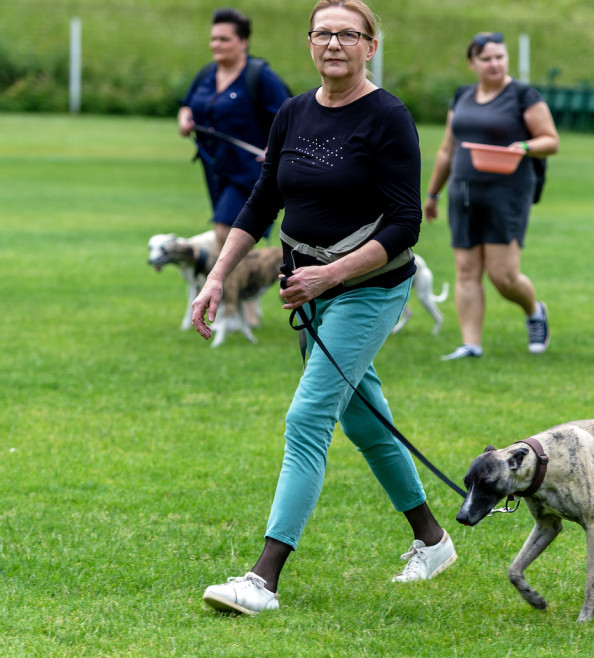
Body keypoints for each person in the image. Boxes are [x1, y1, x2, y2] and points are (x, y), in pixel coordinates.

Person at [191, 0, 456, 615]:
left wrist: (330, 274)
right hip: (309, 295)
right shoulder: (291, 113)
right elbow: (260, 204)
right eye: (323, 33)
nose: (334, 43)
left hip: (368, 289)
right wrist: (215, 278)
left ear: (370, 46)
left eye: (348, 34)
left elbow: (406, 224)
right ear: (309, 44)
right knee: (363, 417)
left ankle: (262, 579)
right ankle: (431, 539)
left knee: (308, 417)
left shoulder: (388, 117)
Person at [423, 32, 560, 360]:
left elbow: (550, 140)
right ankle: (472, 344)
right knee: (466, 269)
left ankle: (534, 310)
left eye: (500, 56)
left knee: (504, 276)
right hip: (464, 190)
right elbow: (447, 150)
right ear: (472, 63)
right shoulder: (463, 97)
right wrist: (432, 194)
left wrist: (524, 146)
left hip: (507, 192)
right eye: (486, 59)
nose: (494, 64)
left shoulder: (523, 95)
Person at [177, 8, 292, 252]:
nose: (216, 44)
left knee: (226, 230)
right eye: (213, 39)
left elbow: (291, 117)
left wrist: (275, 148)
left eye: (224, 39)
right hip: (216, 169)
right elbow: (187, 106)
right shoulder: (207, 73)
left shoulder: (260, 76)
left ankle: (225, 286)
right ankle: (235, 286)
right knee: (230, 238)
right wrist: (185, 119)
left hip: (250, 172)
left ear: (244, 42)